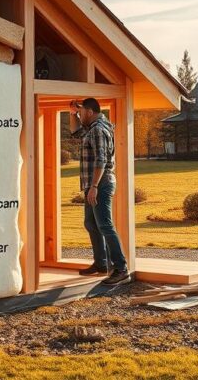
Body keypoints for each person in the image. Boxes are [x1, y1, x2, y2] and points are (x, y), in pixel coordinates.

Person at [69, 97, 131, 285]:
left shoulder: (98, 130)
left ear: (89, 112)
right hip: (93, 185)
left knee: (104, 225)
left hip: (101, 184)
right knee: (91, 223)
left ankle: (121, 269)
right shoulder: (93, 128)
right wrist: (72, 113)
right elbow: (76, 132)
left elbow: (101, 160)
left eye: (80, 113)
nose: (80, 116)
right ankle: (101, 263)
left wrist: (94, 187)